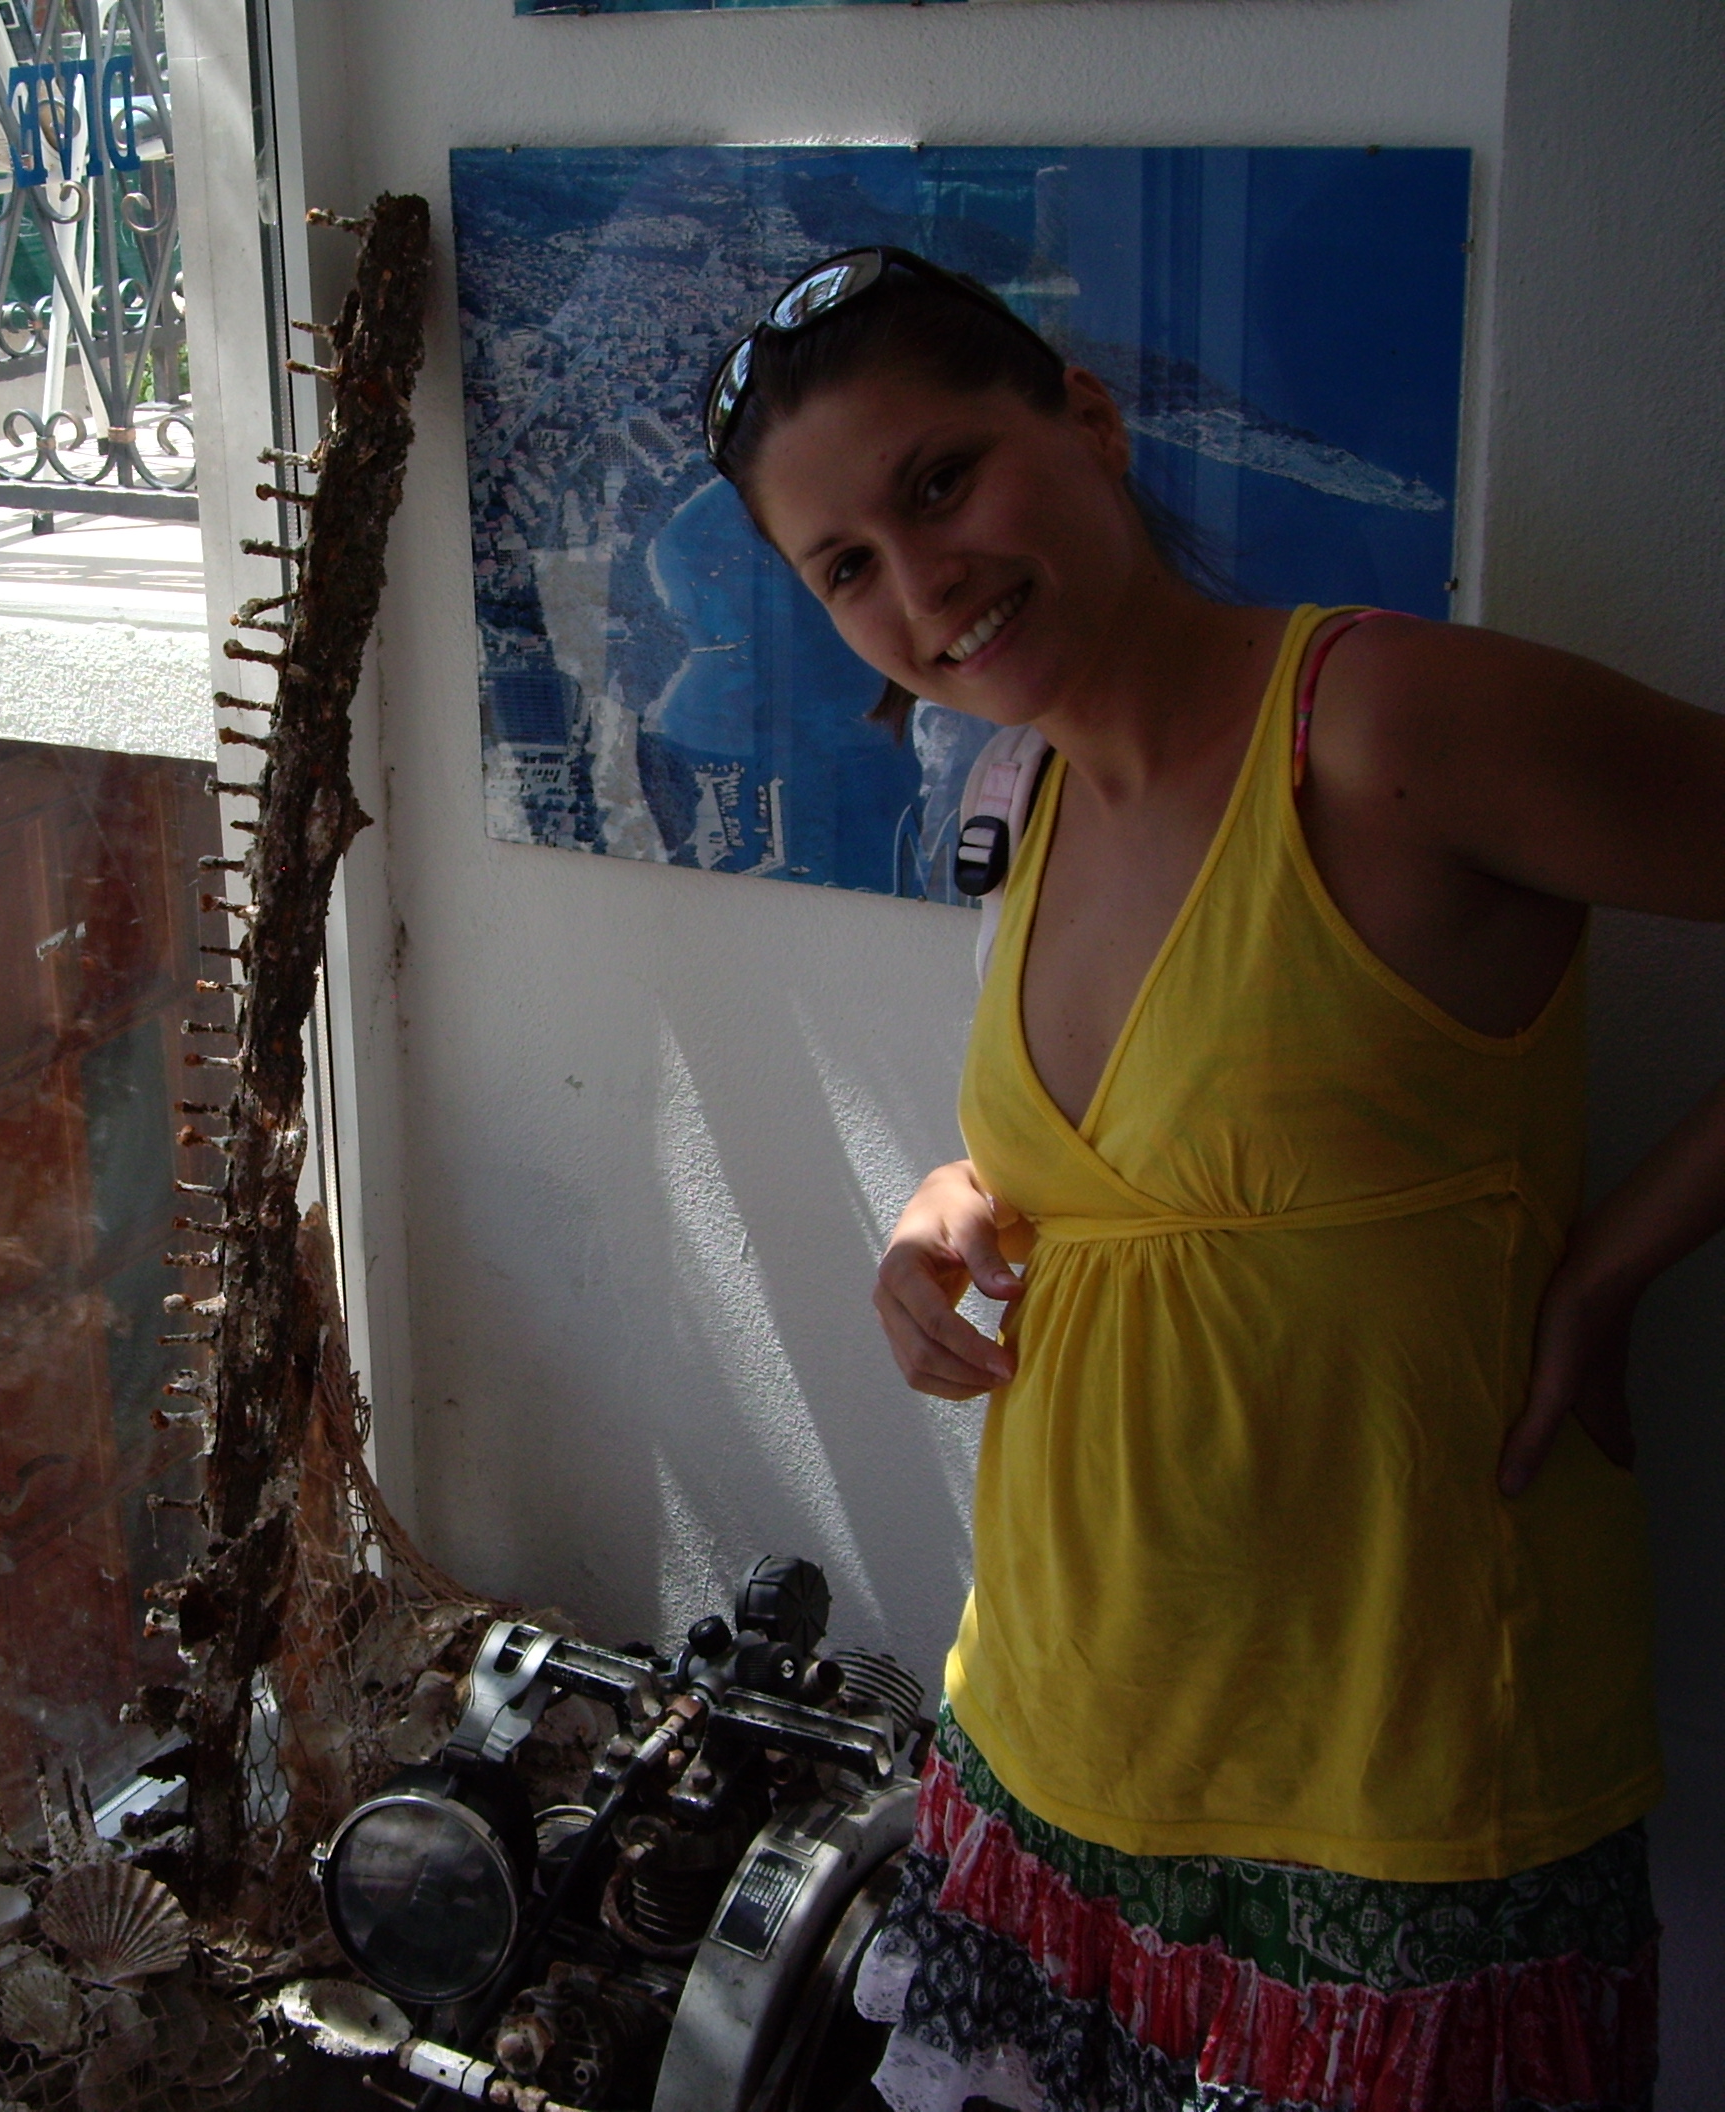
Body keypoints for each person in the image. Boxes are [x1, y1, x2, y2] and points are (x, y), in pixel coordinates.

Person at [702, 246, 1725, 2112]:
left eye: (942, 481)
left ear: (1086, 421)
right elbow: (1168, 1155)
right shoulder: (1026, 795)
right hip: (1056, 1743)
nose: (921, 587)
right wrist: (950, 1206)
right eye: (844, 565)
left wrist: (1615, 1266)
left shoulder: (1379, 728)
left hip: (1389, 1801)